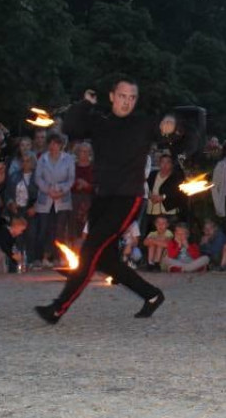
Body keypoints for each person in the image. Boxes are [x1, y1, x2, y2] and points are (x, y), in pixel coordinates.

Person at [34, 80, 166, 324]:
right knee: (106, 260)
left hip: (128, 198)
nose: (127, 101)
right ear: (112, 96)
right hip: (102, 197)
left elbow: (177, 133)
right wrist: (85, 104)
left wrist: (174, 126)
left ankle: (58, 308)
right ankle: (152, 295)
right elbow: (71, 127)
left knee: (90, 249)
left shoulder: (143, 123)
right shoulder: (100, 121)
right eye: (122, 95)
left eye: (132, 97)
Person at [34, 132, 75, 268]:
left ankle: (60, 256)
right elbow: (38, 177)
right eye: (51, 143)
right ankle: (44, 256)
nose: (53, 146)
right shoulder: (42, 159)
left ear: (61, 145)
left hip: (62, 198)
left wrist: (61, 190)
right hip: (46, 198)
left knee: (60, 229)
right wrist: (48, 190)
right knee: (45, 228)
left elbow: (71, 179)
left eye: (56, 143)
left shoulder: (68, 159)